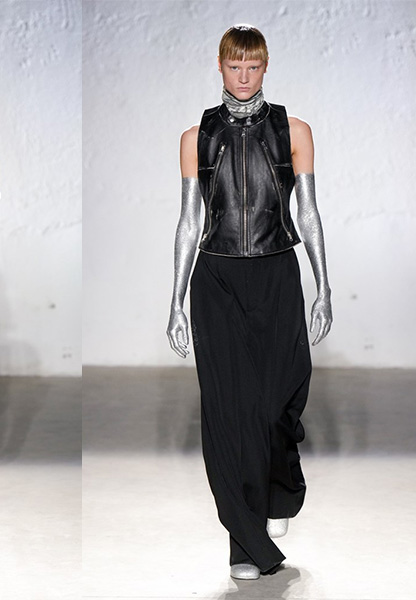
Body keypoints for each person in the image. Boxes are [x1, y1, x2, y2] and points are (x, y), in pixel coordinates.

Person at [167, 24, 332, 580]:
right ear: (219, 66)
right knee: (228, 413)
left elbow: (307, 211)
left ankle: (277, 488)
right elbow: (189, 219)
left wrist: (323, 286)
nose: (243, 76)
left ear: (265, 67)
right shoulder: (196, 137)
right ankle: (245, 540)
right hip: (216, 280)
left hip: (277, 272)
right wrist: (175, 301)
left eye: (253, 67)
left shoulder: (294, 131)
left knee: (280, 402)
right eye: (234, 66)